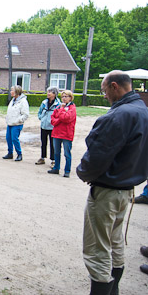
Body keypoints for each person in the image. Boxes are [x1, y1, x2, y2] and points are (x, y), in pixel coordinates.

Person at [77, 70, 148, 294]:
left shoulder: (118, 115)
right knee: (115, 242)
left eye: (104, 90)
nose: (104, 95)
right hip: (127, 190)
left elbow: (98, 155)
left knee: (97, 248)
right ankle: (114, 289)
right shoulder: (143, 111)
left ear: (114, 86)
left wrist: (83, 172)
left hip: (107, 191)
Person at [47, 90, 76, 178]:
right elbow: (52, 119)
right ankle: (56, 168)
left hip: (67, 134)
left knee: (67, 153)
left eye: (66, 96)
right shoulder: (58, 106)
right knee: (56, 152)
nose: (64, 98)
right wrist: (59, 119)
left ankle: (67, 170)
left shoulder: (72, 108)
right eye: (62, 96)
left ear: (70, 98)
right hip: (57, 133)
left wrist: (61, 112)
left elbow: (66, 118)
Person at [2, 85, 29, 161]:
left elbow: (26, 114)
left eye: (12, 90)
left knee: (14, 139)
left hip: (17, 124)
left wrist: (19, 120)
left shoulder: (23, 101)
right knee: (8, 138)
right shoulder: (13, 100)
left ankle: (19, 154)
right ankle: (10, 153)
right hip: (10, 123)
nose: (11, 92)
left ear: (17, 91)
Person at [36, 86, 61, 167]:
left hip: (52, 127)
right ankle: (42, 157)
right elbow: (39, 112)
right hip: (43, 126)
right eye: (48, 92)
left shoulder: (58, 104)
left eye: (50, 92)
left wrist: (54, 122)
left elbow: (59, 115)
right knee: (43, 143)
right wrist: (41, 118)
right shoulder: (44, 102)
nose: (48, 94)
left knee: (52, 144)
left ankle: (53, 160)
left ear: (54, 94)